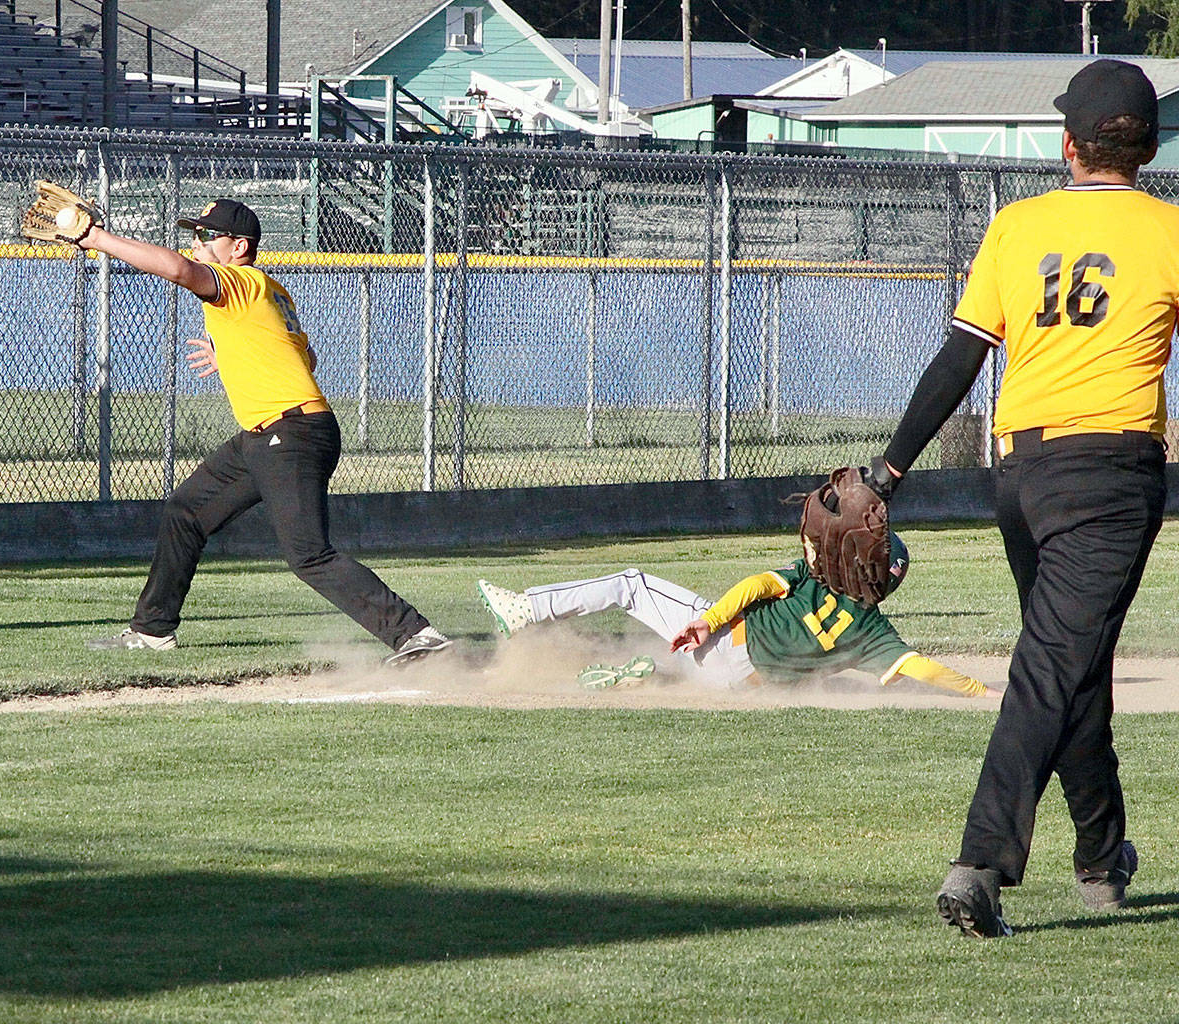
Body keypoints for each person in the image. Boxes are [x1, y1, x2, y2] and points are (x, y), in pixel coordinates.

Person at [861, 60, 1173, 937]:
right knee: (1054, 667)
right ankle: (980, 863)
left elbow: (960, 360)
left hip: (1022, 476)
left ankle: (1102, 856)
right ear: (1146, 150)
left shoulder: (1018, 223)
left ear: (1068, 144)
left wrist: (891, 469)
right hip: (1112, 477)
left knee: (1070, 665)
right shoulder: (1169, 231)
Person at [82, 198, 450, 667]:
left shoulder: (243, 282)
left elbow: (176, 270)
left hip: (291, 434)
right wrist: (233, 357)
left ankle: (416, 635)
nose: (197, 244)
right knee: (186, 511)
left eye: (208, 236)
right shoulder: (272, 292)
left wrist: (96, 240)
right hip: (266, 436)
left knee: (309, 555)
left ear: (239, 246)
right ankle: (152, 630)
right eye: (196, 234)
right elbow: (306, 359)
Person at [476, 535, 999, 698]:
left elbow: (754, 586)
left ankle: (529, 609)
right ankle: (648, 677)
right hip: (740, 684)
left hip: (726, 640)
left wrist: (709, 621)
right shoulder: (872, 631)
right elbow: (919, 667)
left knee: (630, 586)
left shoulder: (817, 576)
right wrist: (982, 693)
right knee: (827, 682)